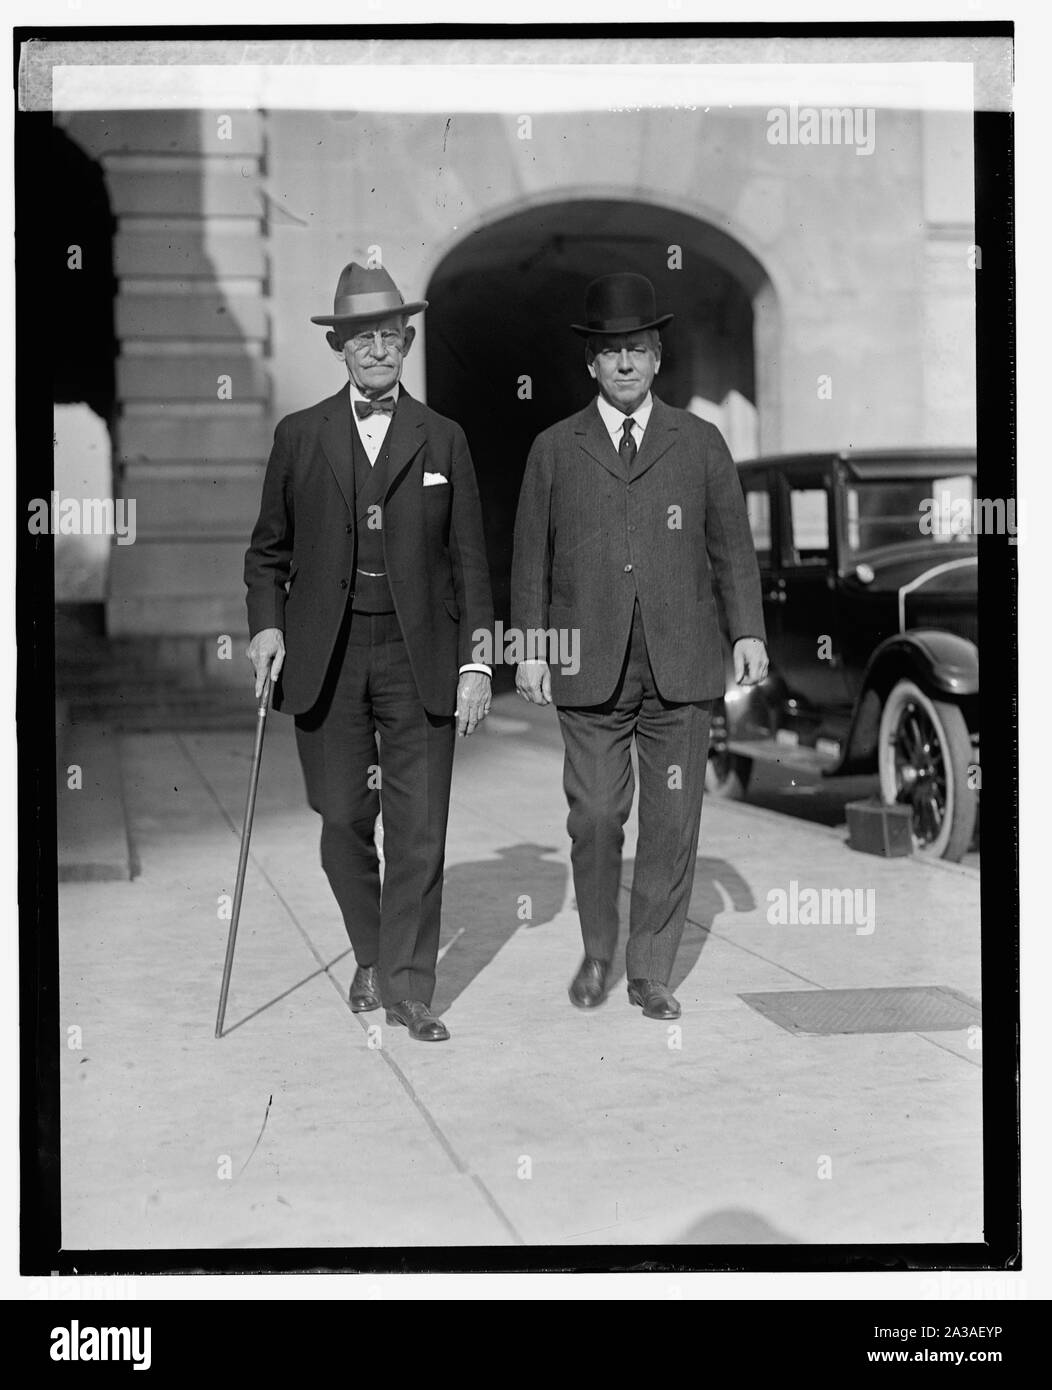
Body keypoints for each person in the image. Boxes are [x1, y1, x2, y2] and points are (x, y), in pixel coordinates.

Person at [245, 262, 494, 1042]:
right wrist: (267, 624)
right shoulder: (300, 435)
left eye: (390, 336)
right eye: (363, 338)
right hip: (329, 653)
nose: (378, 350)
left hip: (422, 655)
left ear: (407, 342)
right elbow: (267, 555)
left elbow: (470, 564)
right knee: (342, 818)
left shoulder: (443, 437)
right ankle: (371, 950)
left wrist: (479, 663)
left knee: (419, 828)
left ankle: (408, 987)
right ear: (341, 349)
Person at [511, 272, 768, 1019]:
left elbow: (732, 548)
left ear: (658, 359)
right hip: (587, 663)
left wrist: (747, 630)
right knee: (594, 816)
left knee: (672, 821)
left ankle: (649, 969)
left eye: (638, 350)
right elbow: (530, 558)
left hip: (681, 663)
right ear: (590, 363)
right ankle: (597, 950)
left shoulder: (701, 442)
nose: (624, 364)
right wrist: (530, 646)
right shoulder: (555, 449)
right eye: (610, 352)